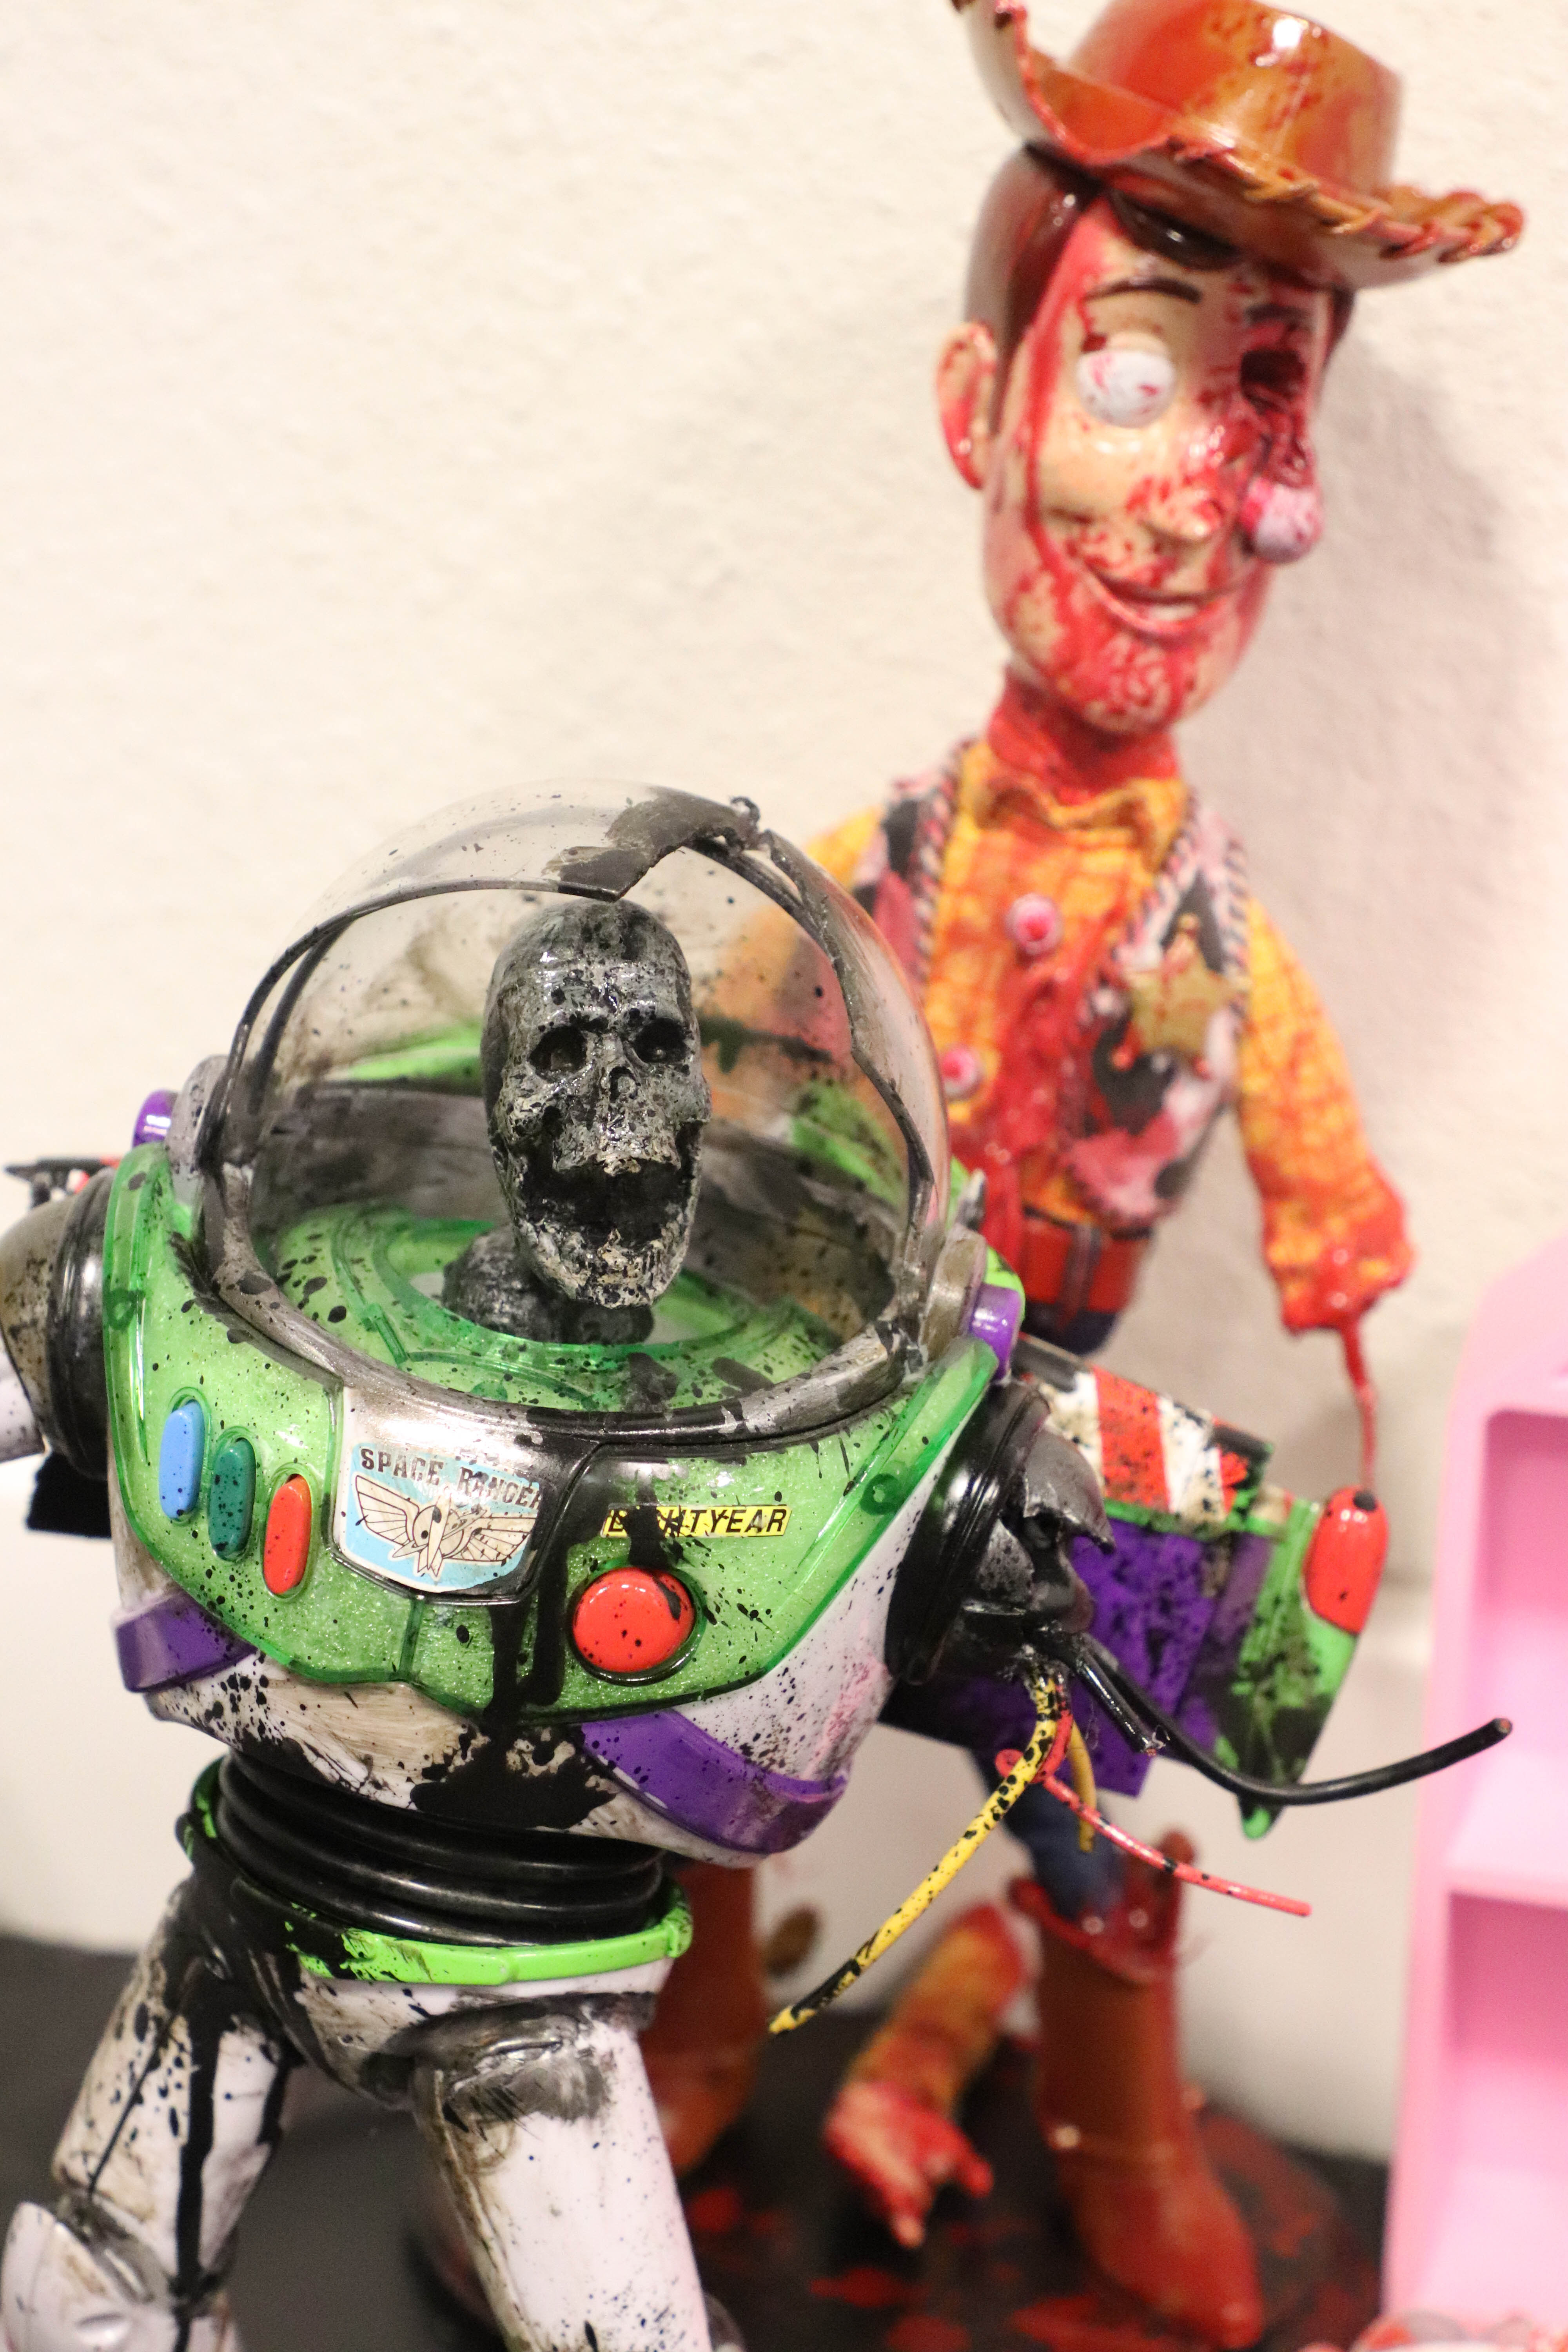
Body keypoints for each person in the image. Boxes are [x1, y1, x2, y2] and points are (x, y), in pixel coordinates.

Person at [642, 2, 1521, 2340]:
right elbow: (694, 1133)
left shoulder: (1219, 943)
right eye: (1136, 372)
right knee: (702, 1698)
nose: (1198, 496)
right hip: (816, 1421)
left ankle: (1117, 2124)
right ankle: (699, 2020)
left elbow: (1321, 1204)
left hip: (1053, 1441)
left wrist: (1353, 1346)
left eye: (1267, 399)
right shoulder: (855, 879)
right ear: (980, 407)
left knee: (1091, 1775)